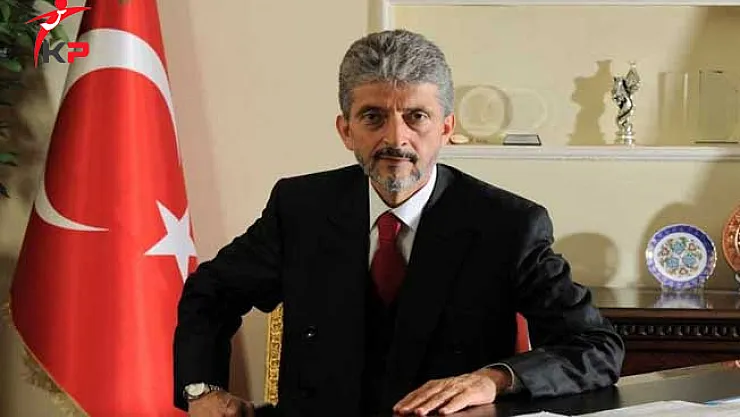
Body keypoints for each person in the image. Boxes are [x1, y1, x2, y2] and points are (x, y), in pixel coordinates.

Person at [173, 29, 624, 417]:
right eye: (373, 117)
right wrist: (202, 389)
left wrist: (495, 379)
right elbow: (210, 292)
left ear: (446, 128)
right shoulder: (300, 209)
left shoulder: (508, 225)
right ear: (345, 130)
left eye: (416, 116)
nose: (396, 138)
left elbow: (595, 346)